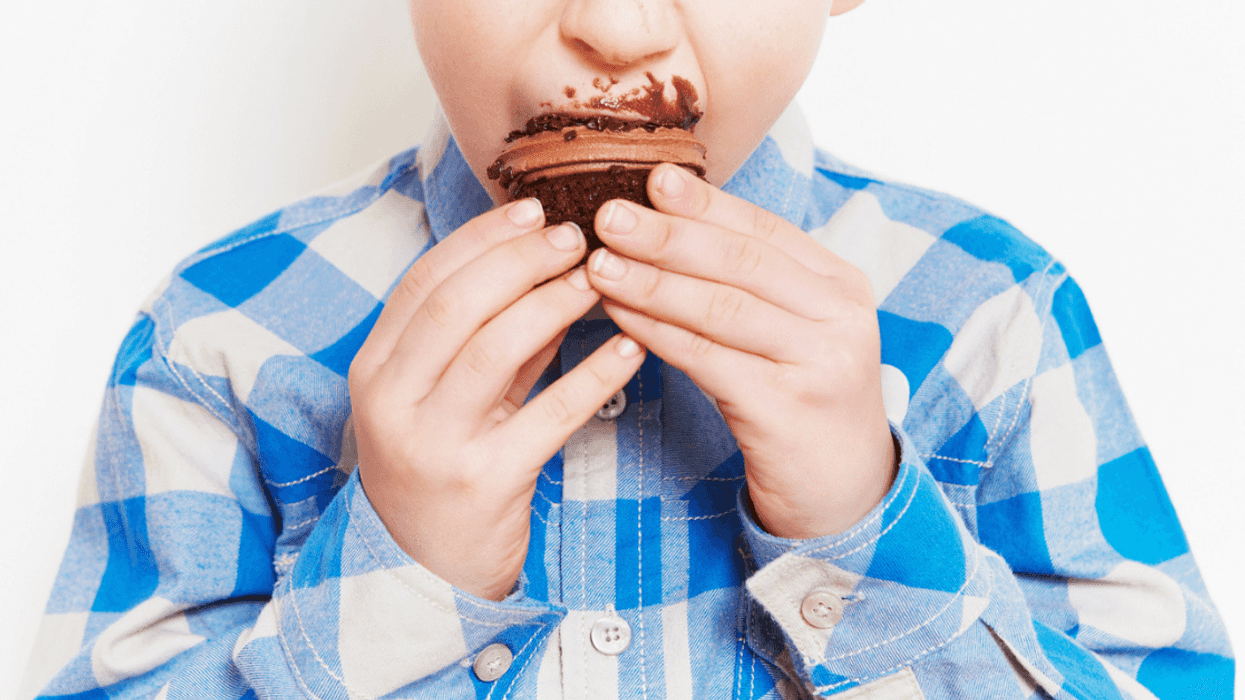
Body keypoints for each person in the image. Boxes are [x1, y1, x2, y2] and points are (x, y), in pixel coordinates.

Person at [20, 0, 1234, 698]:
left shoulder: (990, 315)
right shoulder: (221, 340)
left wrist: (865, 529)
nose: (613, 26)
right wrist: (400, 580)